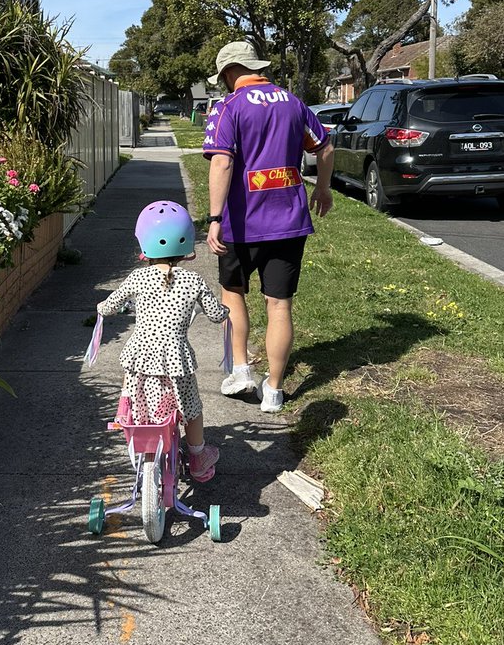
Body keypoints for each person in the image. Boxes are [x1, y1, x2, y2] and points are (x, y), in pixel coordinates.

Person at [203, 41, 334, 413]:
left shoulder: (227, 106)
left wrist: (214, 219)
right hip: (289, 222)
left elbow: (222, 162)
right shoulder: (294, 103)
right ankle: (274, 391)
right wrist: (323, 188)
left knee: (233, 294)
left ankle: (241, 370)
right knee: (279, 305)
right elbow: (325, 147)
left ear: (229, 73)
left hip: (241, 225)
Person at [94, 200, 230, 482]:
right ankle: (198, 456)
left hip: (142, 356)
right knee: (191, 408)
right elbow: (217, 315)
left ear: (144, 245)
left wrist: (101, 308)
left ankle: (126, 410)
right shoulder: (194, 281)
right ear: (186, 244)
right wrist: (225, 311)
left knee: (134, 384)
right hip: (176, 360)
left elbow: (109, 306)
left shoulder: (137, 278)